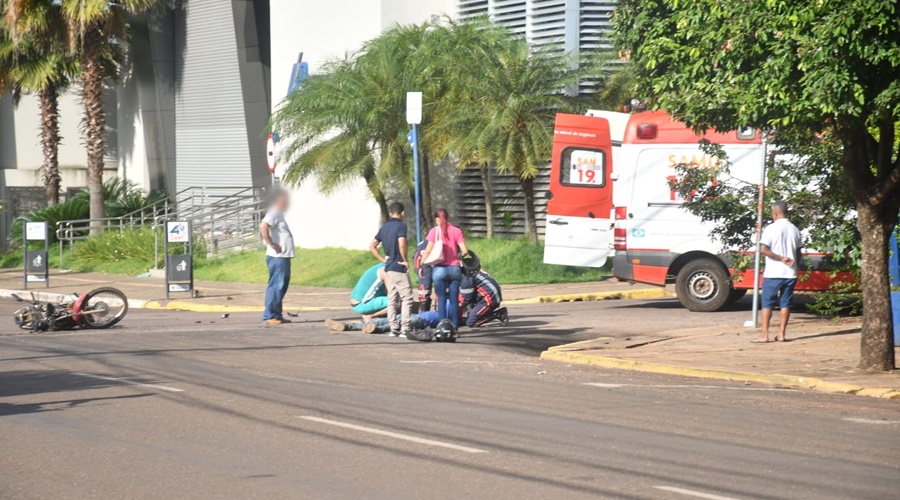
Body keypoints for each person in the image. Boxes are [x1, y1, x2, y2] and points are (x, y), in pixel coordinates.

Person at [754, 200, 802, 343]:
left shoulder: (771, 229)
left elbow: (764, 250)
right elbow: (799, 252)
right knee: (786, 303)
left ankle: (764, 335)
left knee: (767, 303)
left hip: (773, 273)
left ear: (775, 213)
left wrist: (781, 258)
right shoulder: (795, 229)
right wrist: (796, 265)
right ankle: (781, 334)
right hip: (790, 273)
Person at [370, 202, 413, 336]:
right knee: (407, 297)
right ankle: (405, 328)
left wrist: (383, 259)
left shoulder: (384, 228)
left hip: (388, 267)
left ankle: (393, 327)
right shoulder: (401, 226)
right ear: (403, 213)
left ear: (390, 213)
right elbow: (402, 243)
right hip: (398, 265)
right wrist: (405, 260)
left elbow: (372, 245)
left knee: (392, 297)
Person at [421, 209, 469, 329]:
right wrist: (457, 258)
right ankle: (455, 327)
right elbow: (465, 251)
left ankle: (442, 326)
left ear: (437, 219)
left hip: (439, 269)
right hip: (454, 269)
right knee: (454, 299)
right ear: (447, 217)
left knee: (441, 299)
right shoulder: (457, 231)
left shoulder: (434, 232)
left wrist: (423, 265)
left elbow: (427, 251)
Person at [259, 189, 295, 325]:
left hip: (283, 256)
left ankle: (277, 314)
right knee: (276, 286)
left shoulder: (279, 214)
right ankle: (270, 316)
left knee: (282, 286)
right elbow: (263, 225)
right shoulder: (273, 212)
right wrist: (271, 243)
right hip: (277, 257)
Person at [325, 310, 441, 334]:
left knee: (395, 324)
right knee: (379, 320)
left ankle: (377, 329)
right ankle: (347, 326)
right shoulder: (446, 303)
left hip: (421, 321)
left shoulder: (453, 315)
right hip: (413, 315)